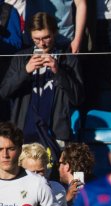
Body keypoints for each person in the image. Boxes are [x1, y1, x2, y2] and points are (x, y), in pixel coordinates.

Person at [0, 12, 83, 145]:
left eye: (46, 38)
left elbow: (77, 98)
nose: (42, 44)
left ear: (55, 33)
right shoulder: (20, 58)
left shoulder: (68, 60)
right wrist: (25, 71)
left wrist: (58, 71)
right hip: (23, 134)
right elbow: (4, 92)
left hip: (55, 135)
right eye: (36, 39)